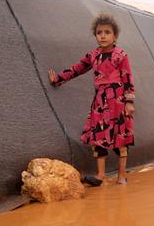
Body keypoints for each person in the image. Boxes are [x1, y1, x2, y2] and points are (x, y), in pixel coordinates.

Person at [48, 13, 135, 186]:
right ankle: (100, 176)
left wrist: (129, 102)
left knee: (120, 137)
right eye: (99, 32)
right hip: (100, 103)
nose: (103, 36)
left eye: (107, 32)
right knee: (98, 136)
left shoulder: (120, 55)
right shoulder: (93, 55)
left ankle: (121, 175)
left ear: (115, 35)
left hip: (117, 102)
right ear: (95, 35)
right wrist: (58, 79)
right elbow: (78, 68)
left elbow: (127, 78)